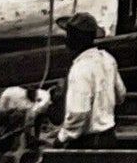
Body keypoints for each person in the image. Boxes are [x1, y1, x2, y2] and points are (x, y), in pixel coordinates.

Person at [53, 13, 125, 149]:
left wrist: (61, 138)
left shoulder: (80, 69)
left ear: (73, 40)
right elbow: (120, 95)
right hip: (109, 137)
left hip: (88, 143)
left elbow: (79, 113)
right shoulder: (108, 59)